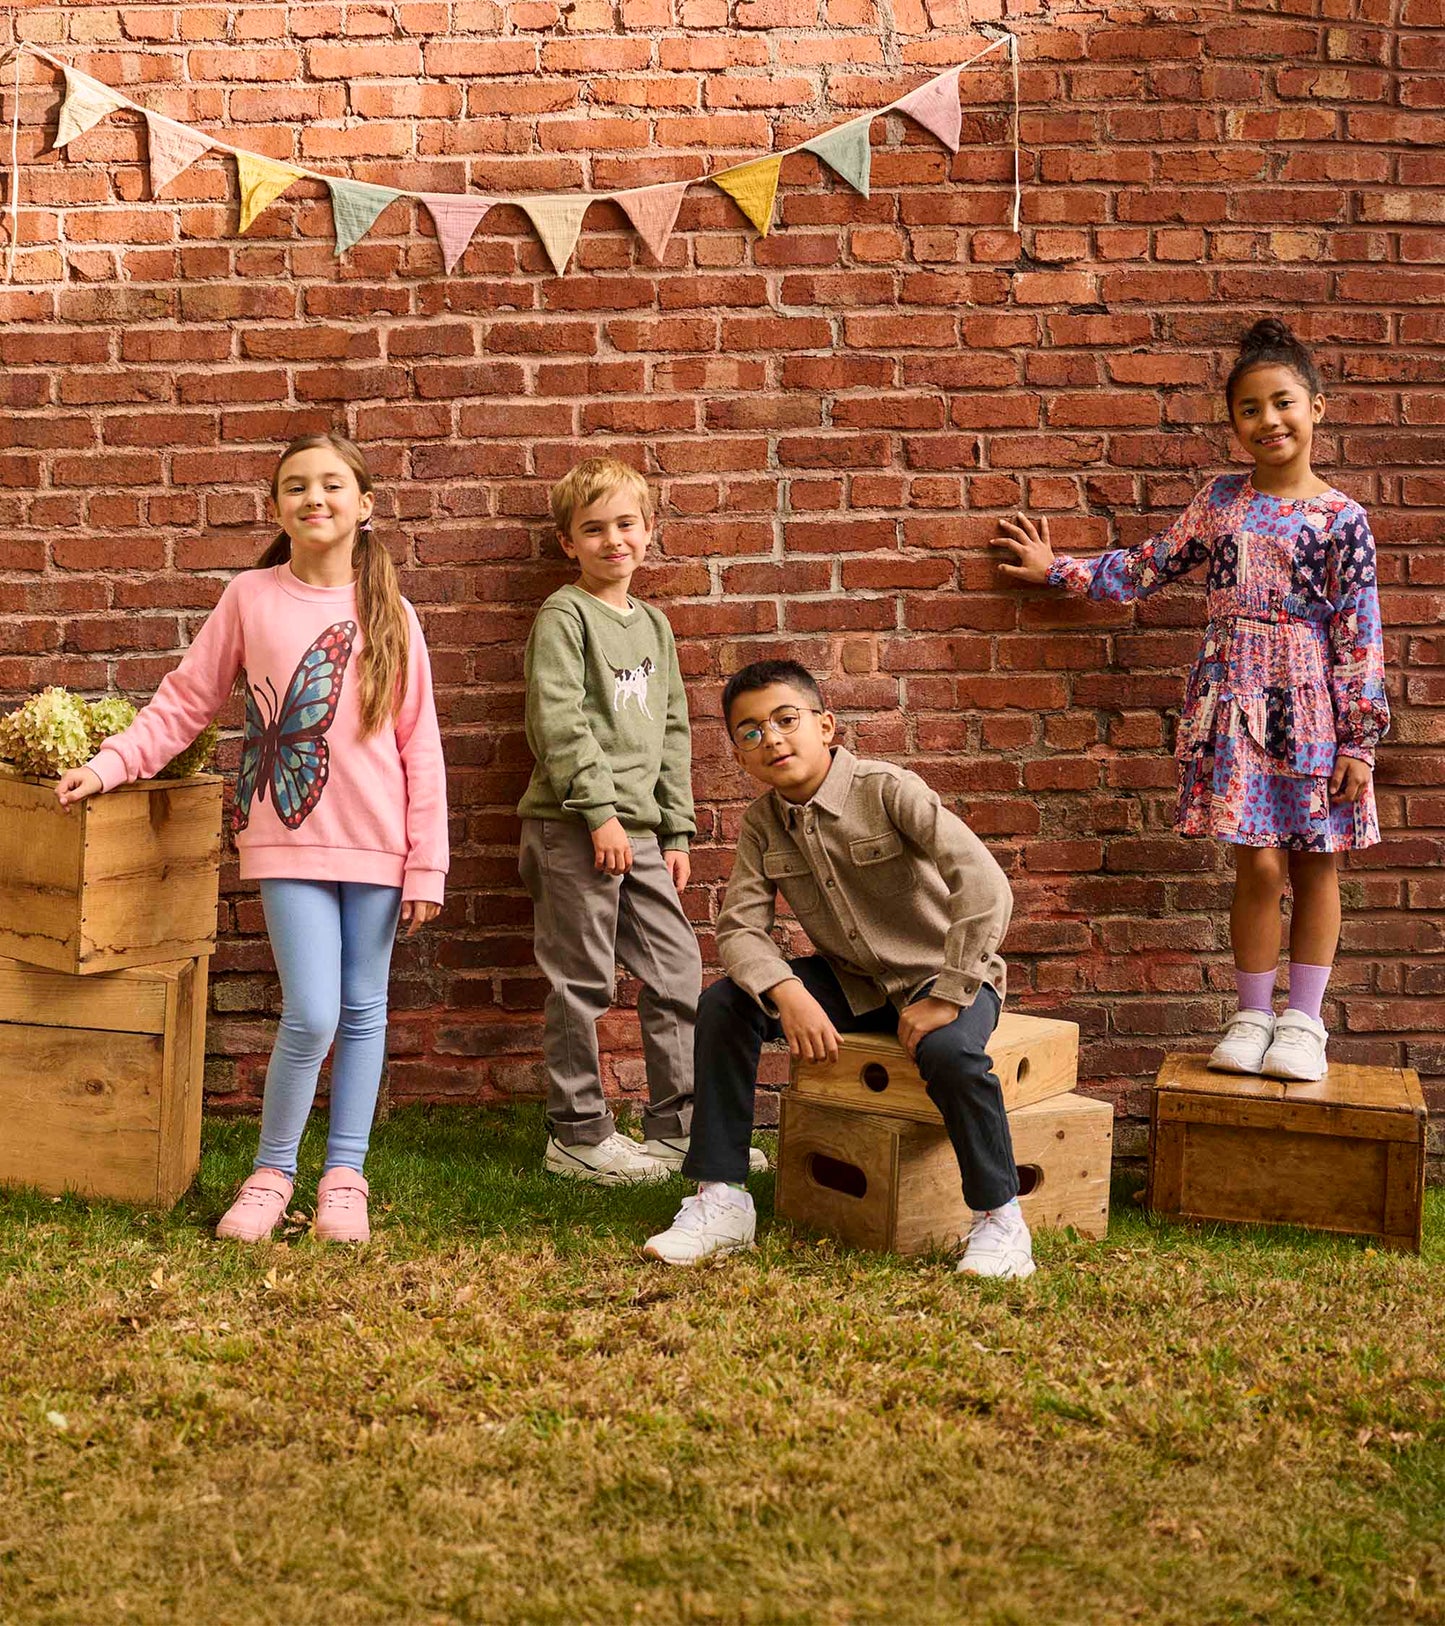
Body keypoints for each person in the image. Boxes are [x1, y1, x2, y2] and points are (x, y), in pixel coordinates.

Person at [56, 432, 448, 1242]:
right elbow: (186, 700)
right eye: (295, 486)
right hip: (287, 838)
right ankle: (272, 1172)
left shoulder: (393, 614)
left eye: (332, 485)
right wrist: (109, 764)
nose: (315, 498)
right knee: (310, 1012)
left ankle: (346, 1173)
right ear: (276, 507)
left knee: (363, 1009)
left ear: (365, 505)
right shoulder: (250, 597)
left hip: (379, 848)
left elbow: (421, 745)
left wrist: (426, 865)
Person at [993, 318, 1388, 1082]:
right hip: (1233, 698)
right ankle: (1249, 1012)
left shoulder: (1343, 519)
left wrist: (1359, 741)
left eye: (1282, 403)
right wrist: (1057, 570)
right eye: (1248, 408)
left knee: (1316, 864)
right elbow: (1147, 567)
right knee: (1258, 866)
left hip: (1310, 704)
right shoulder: (1219, 501)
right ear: (1233, 422)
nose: (1267, 420)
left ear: (1315, 409)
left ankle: (1302, 1023)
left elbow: (1359, 629)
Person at [643, 659, 1033, 1278]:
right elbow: (741, 927)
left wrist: (951, 994)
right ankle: (722, 1198)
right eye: (749, 732)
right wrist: (786, 989)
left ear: (826, 726)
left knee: (951, 1055)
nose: (769, 738)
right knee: (726, 1003)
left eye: (785, 720)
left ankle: (1000, 1220)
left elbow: (985, 886)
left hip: (944, 976)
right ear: (739, 756)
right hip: (854, 984)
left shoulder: (887, 789)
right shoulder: (762, 824)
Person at [519, 457, 761, 1185]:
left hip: (644, 833)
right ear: (569, 543)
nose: (612, 540)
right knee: (582, 980)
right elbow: (556, 719)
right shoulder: (565, 616)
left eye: (625, 524)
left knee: (677, 970)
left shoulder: (653, 625)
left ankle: (677, 1127)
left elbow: (673, 729)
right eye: (593, 529)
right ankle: (576, 1134)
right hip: (574, 827)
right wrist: (598, 813)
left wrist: (676, 829)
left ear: (648, 533)